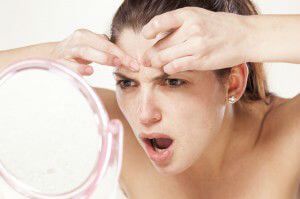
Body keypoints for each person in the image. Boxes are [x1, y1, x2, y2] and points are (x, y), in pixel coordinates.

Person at [0, 0, 299, 198]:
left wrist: (247, 36)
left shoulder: (289, 134)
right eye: (127, 82)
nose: (144, 115)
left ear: (232, 83)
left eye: (172, 81)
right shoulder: (108, 124)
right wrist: (45, 58)